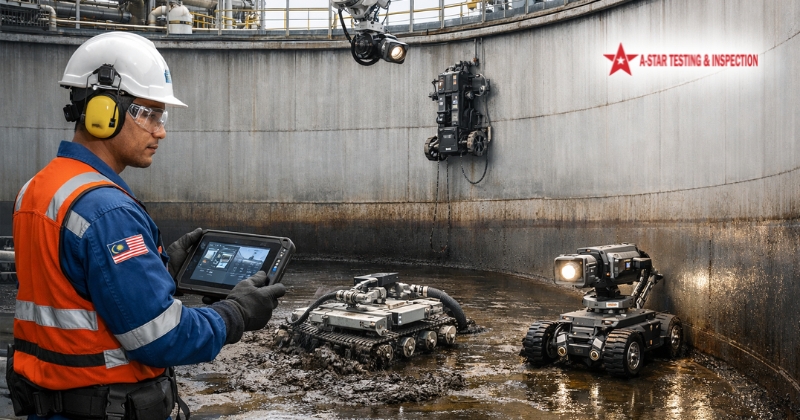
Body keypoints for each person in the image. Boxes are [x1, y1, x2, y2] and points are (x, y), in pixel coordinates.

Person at [8, 32, 285, 419]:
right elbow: (162, 338)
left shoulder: (37, 189)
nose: (161, 131)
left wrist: (160, 268)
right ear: (105, 111)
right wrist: (236, 313)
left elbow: (73, 289)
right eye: (149, 114)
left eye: (162, 116)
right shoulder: (107, 211)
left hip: (50, 403)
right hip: (102, 407)